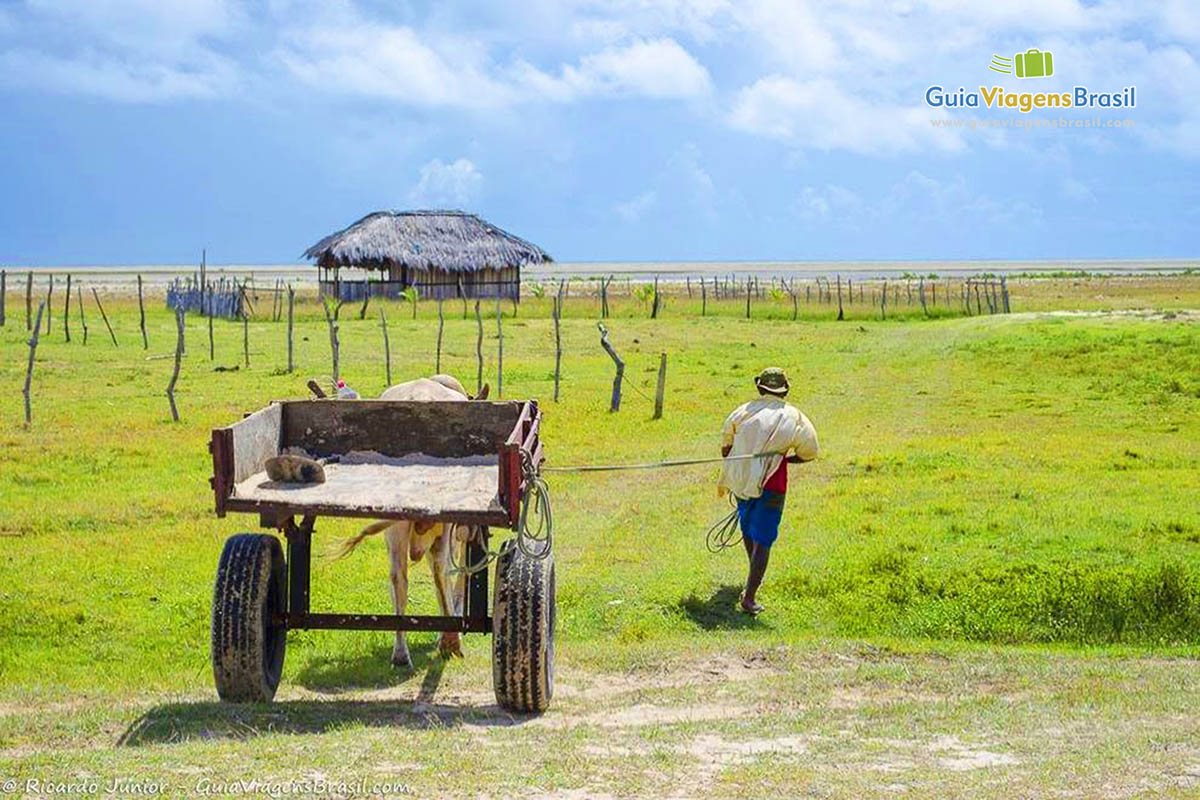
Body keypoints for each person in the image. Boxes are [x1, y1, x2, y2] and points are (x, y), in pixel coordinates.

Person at [718, 367, 819, 615]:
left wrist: (743, 462)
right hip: (773, 485)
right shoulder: (795, 417)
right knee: (764, 539)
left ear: (759, 387)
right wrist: (783, 459)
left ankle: (752, 581)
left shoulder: (742, 412)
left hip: (742, 483)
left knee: (749, 528)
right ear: (785, 389)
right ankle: (749, 597)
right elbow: (810, 452)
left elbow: (725, 447)